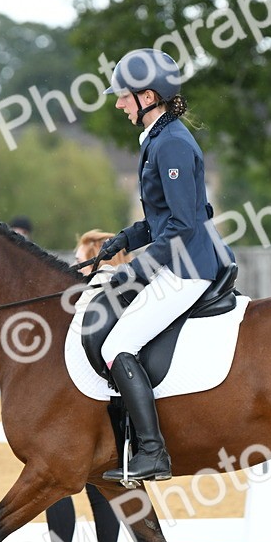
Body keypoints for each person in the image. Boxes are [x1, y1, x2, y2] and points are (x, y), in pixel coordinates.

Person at [95, 48, 235, 483]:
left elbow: (183, 224)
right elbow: (166, 216)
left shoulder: (171, 143)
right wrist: (127, 239)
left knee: (115, 346)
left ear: (148, 96)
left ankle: (152, 452)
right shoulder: (160, 138)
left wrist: (134, 269)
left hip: (187, 268)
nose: (119, 104)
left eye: (124, 96)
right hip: (178, 259)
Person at [28, 230, 130, 542]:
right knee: (101, 485)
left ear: (98, 256)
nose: (74, 264)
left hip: (81, 404)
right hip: (109, 410)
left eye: (79, 256)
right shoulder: (125, 291)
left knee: (53, 482)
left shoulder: (92, 293)